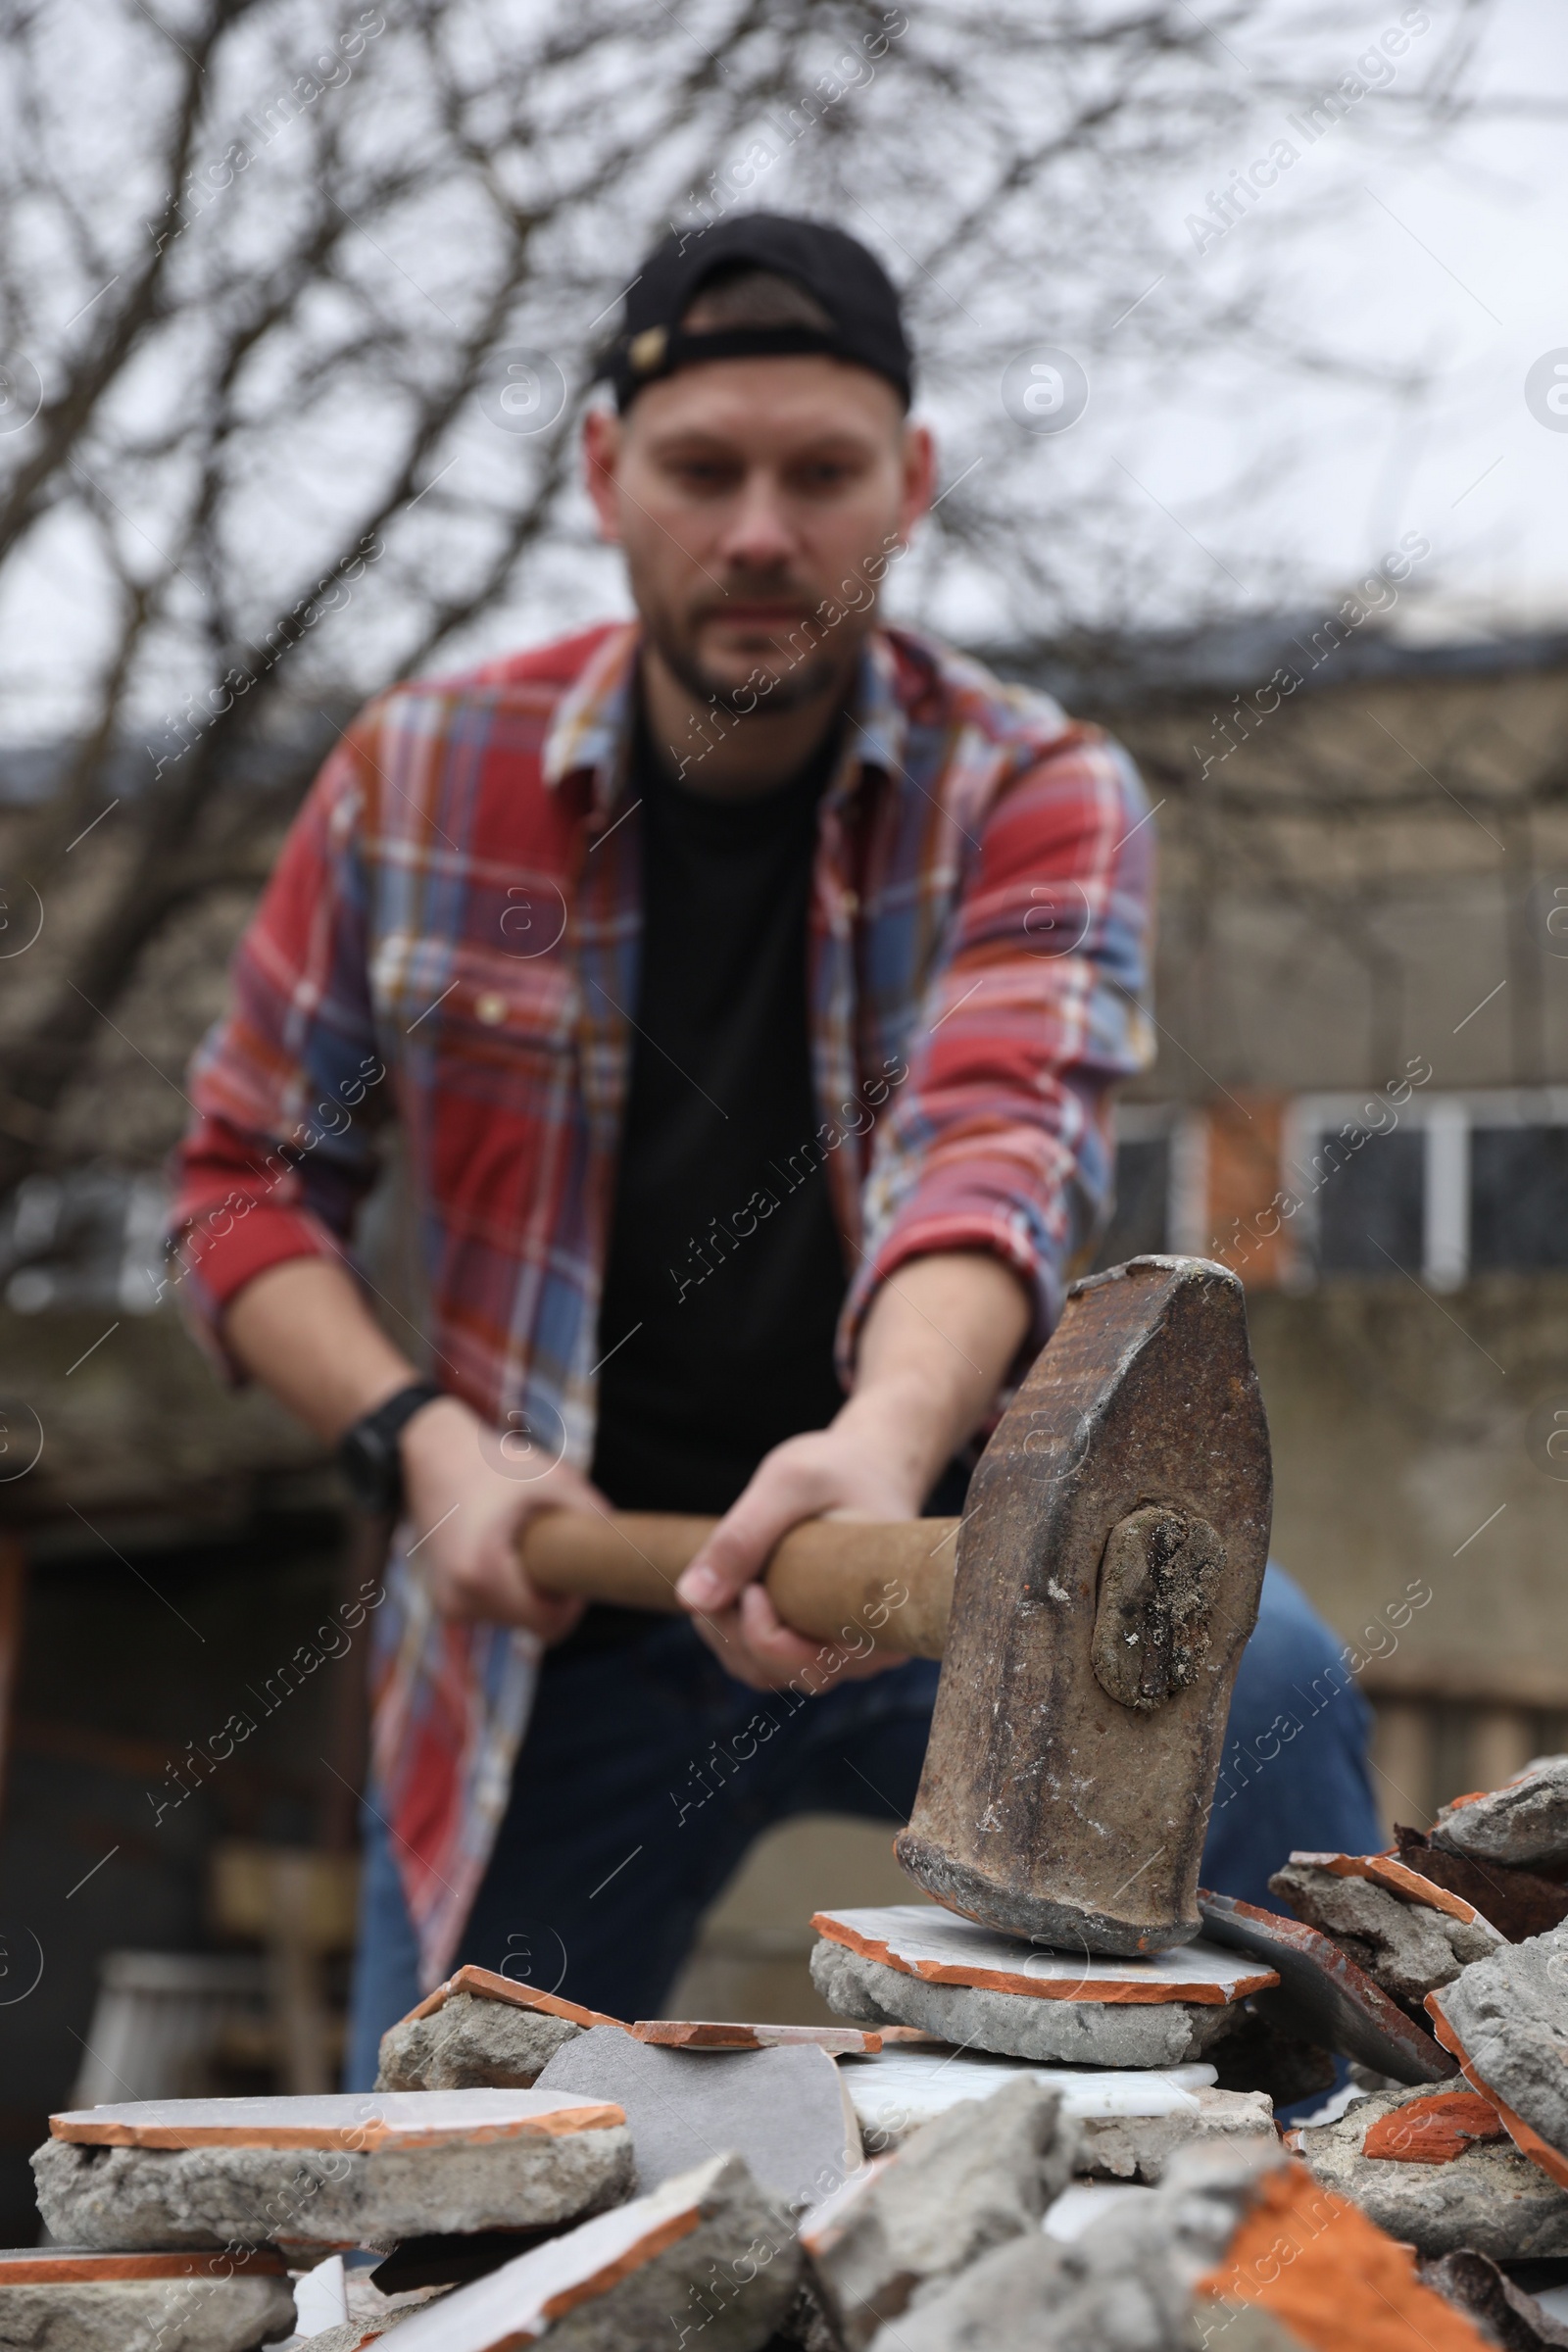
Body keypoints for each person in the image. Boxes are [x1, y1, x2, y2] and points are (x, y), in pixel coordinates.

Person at [170, 214, 1379, 2086]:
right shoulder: (417, 781)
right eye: (702, 471)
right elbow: (235, 1188)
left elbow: (995, 1145)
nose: (758, 533)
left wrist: (881, 1447)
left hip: (939, 1569)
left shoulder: (1031, 790)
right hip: (539, 1616)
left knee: (1272, 1690)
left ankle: (1341, 2246)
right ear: (603, 473)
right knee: (435, 2191)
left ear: (910, 482)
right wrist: (418, 1449)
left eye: (819, 476)